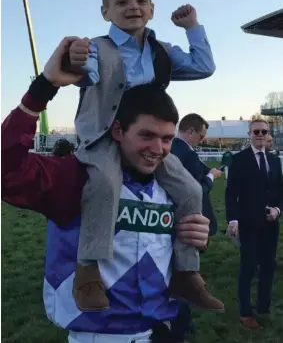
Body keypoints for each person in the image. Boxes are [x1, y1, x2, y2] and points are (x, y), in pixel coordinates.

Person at [2, 38, 211, 343]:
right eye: (147, 135)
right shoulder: (76, 177)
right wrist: (43, 88)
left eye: (166, 138)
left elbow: (174, 238)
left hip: (162, 330)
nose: (158, 149)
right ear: (118, 131)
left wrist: (196, 235)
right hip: (97, 334)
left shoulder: (170, 183)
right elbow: (5, 169)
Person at [62, 0, 221, 312]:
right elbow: (85, 73)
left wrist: (192, 26)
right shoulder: (96, 48)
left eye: (140, 0)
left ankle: (187, 274)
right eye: (121, 1)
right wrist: (76, 60)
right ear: (105, 11)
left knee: (191, 190)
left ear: (152, 9)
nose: (132, 6)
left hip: (147, 141)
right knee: (104, 183)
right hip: (105, 137)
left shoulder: (160, 51)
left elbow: (203, 66)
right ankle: (87, 272)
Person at [225, 119, 283, 329]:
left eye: (264, 131)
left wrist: (278, 210)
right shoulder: (239, 160)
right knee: (248, 267)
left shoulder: (275, 161)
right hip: (248, 224)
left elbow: (280, 192)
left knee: (268, 267)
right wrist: (232, 220)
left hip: (271, 225)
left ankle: (264, 307)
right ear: (249, 133)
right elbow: (231, 194)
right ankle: (245, 312)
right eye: (256, 131)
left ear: (269, 134)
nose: (260, 134)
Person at [170, 113, 222, 342]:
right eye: (201, 136)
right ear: (190, 131)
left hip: (184, 221)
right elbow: (195, 189)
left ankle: (184, 318)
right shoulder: (180, 152)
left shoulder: (182, 150)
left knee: (184, 272)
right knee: (183, 274)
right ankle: (180, 322)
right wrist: (210, 177)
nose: (202, 140)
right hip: (187, 221)